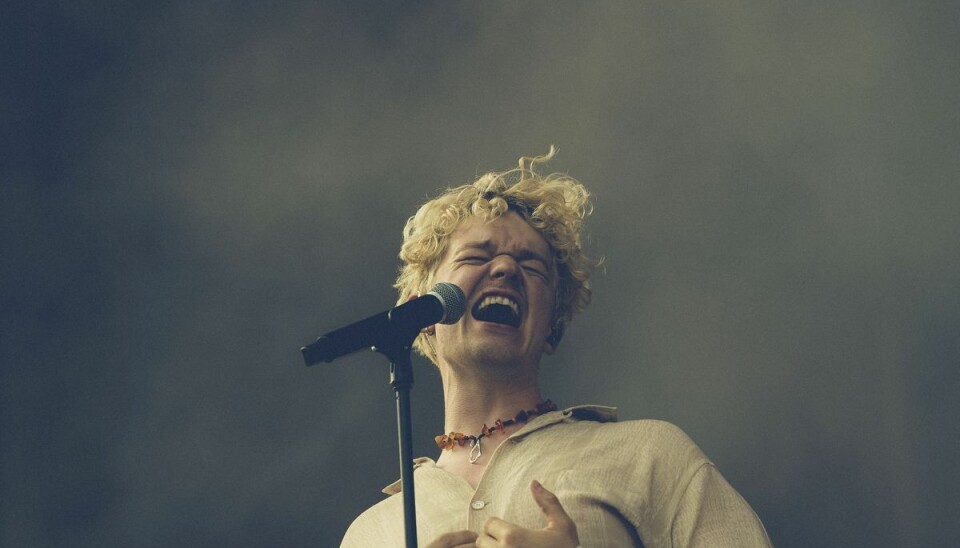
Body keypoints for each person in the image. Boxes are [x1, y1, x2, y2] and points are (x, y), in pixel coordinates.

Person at [341, 149, 772, 547]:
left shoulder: (650, 455)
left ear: (552, 329)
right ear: (423, 315)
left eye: (532, 266)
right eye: (476, 257)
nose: (506, 268)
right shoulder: (372, 531)